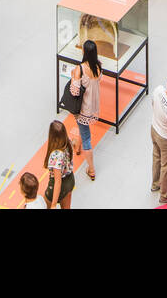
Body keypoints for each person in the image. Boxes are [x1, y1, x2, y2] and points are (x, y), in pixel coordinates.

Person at [69, 39, 101, 180]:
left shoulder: (79, 69)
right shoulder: (99, 67)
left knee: (86, 137)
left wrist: (72, 77)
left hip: (83, 108)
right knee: (83, 130)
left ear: (84, 52)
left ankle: (91, 169)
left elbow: (74, 91)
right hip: (94, 105)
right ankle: (77, 144)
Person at [43, 119, 80, 208]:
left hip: (59, 185)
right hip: (70, 180)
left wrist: (53, 204)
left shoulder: (55, 156)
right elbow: (75, 141)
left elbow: (58, 181)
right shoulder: (68, 143)